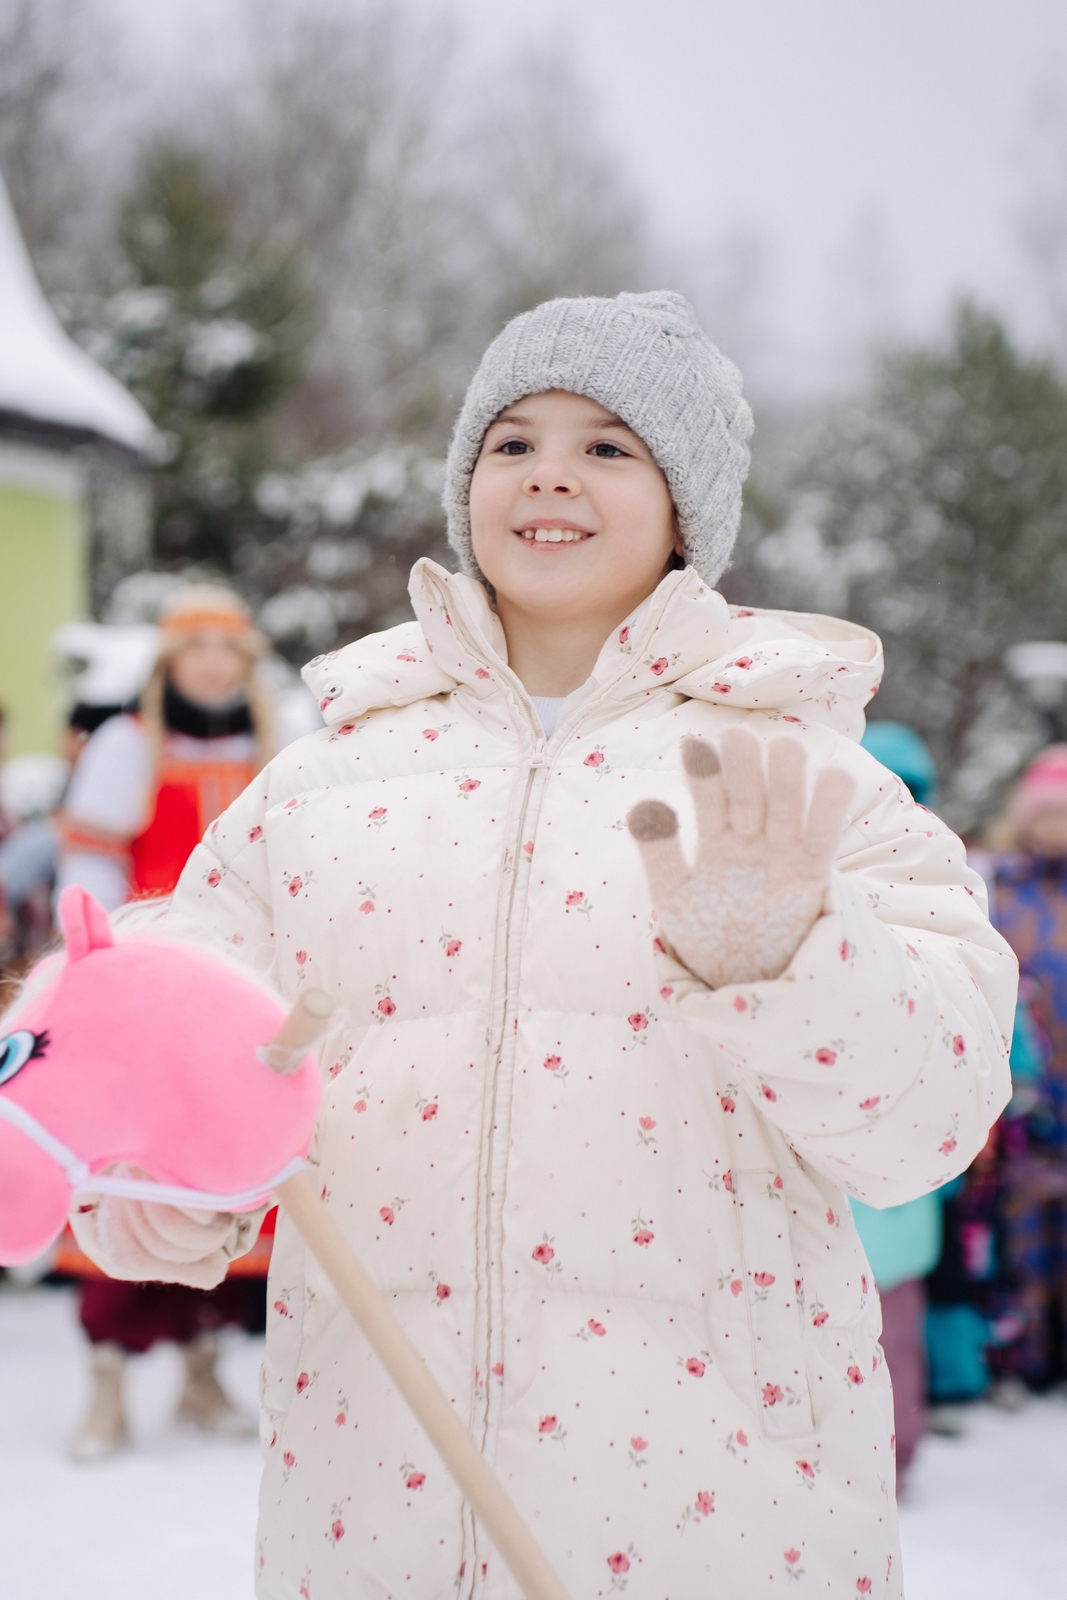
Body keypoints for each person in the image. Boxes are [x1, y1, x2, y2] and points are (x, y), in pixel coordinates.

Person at [66, 293, 1014, 1596]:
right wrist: (156, 1179)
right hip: (378, 1503)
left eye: (606, 446)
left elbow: (928, 1121)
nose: (548, 473)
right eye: (511, 442)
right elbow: (173, 1071)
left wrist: (794, 963)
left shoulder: (802, 775)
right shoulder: (322, 785)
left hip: (716, 1512)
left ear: (685, 507)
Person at [54, 585, 276, 1460]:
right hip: (145, 991)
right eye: (197, 651)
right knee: (130, 1173)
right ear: (168, 663)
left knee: (227, 1179)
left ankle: (202, 1368)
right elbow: (91, 866)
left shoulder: (276, 744)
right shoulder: (126, 744)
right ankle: (106, 1384)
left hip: (241, 993)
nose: (214, 667)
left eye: (229, 652)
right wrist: (98, 969)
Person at [848, 723, 944, 1492]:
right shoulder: (833, 874)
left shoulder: (930, 881)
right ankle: (862, 1453)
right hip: (829, 1181)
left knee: (893, 1331)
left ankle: (893, 1450)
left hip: (900, 1177)